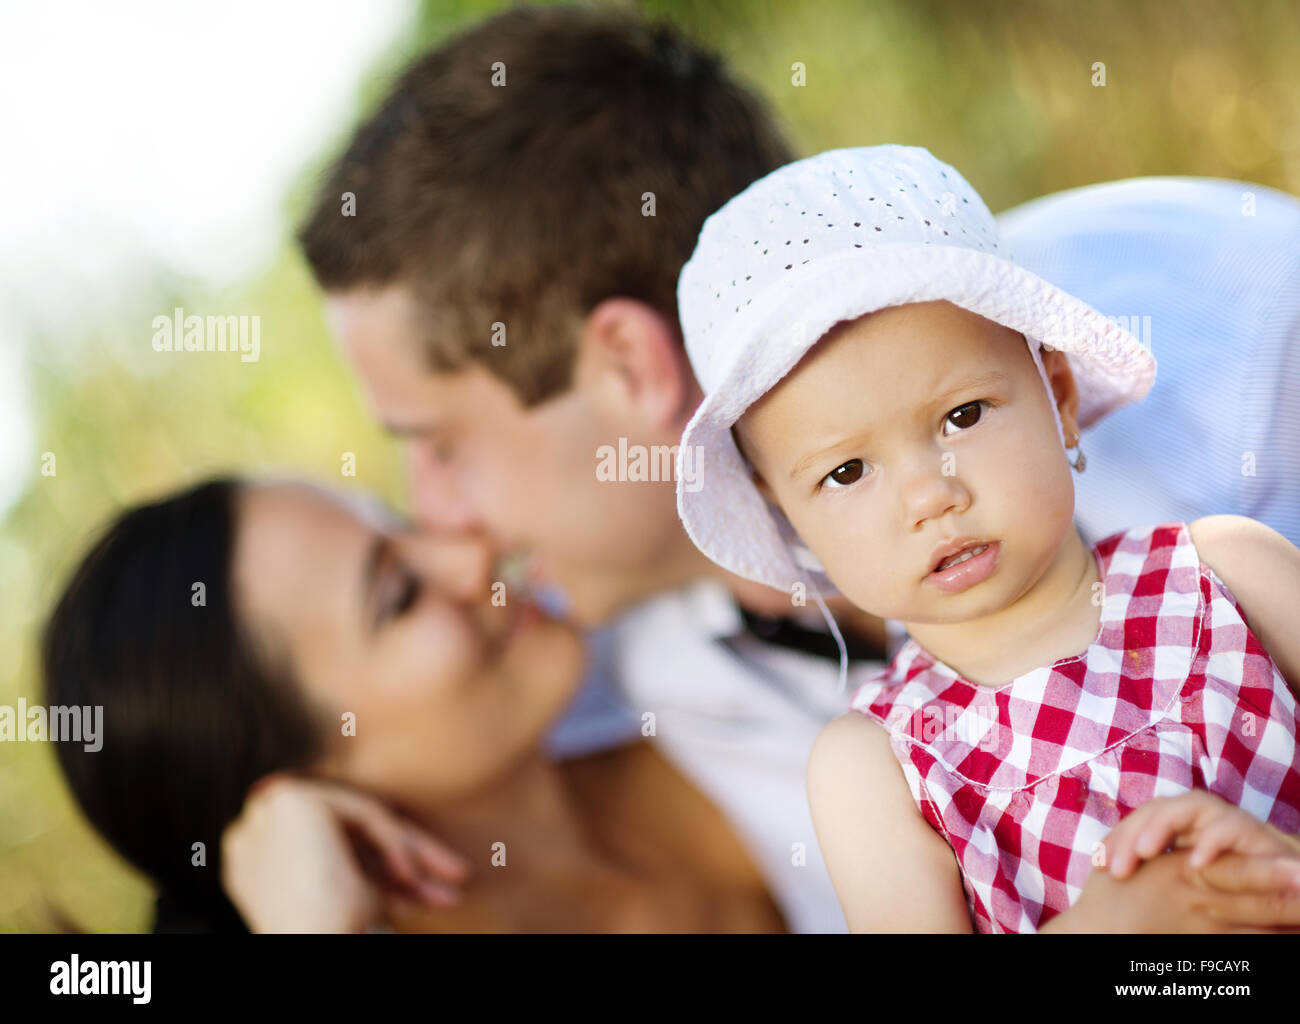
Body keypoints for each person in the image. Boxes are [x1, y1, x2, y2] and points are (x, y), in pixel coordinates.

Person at [281, 4, 1300, 932]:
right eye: (841, 474)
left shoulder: (1234, 328)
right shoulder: (640, 667)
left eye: (440, 443)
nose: (439, 516)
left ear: (631, 367)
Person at [670, 143, 1300, 933]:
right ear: (788, 518)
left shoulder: (1225, 574)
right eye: (847, 472)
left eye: (961, 417)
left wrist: (1278, 870)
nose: (932, 495)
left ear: (1058, 394)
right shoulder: (877, 766)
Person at [43, 477, 788, 933]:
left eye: (403, 524)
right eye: (399, 598)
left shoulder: (666, 650)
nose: (470, 558)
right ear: (294, 784)